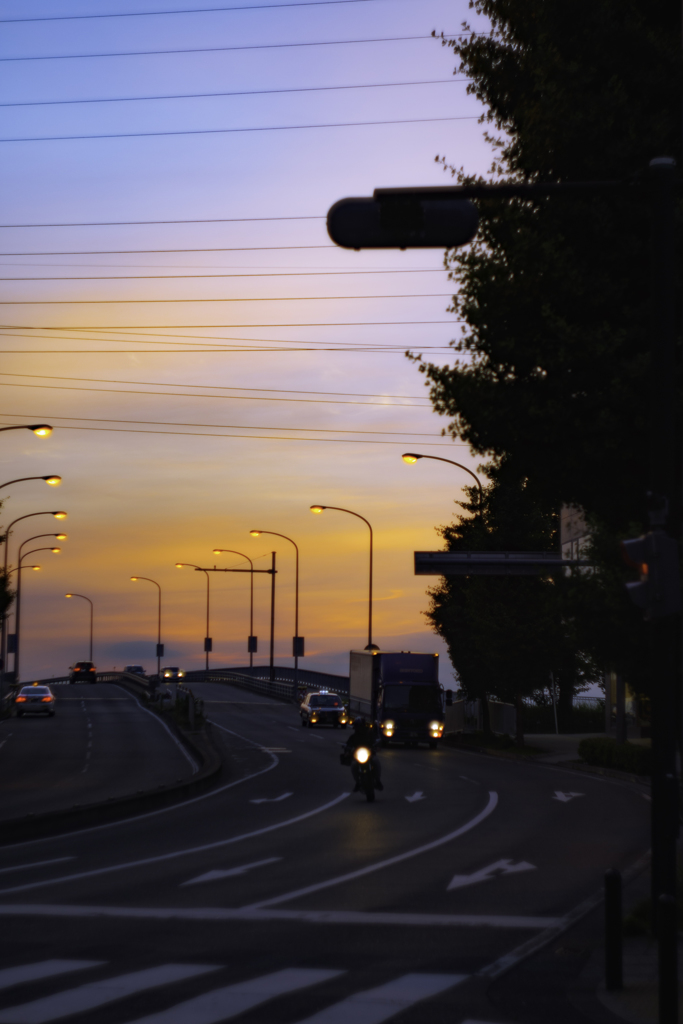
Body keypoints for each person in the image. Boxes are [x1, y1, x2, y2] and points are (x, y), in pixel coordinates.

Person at [344, 717, 383, 791]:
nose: (358, 728)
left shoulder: (370, 734)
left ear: (363, 726)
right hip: (358, 756)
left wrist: (377, 746)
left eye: (359, 726)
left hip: (370, 755)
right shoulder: (353, 737)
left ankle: (378, 781)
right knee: (353, 765)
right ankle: (358, 782)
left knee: (376, 761)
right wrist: (347, 751)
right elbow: (348, 744)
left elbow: (376, 740)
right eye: (356, 726)